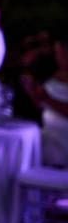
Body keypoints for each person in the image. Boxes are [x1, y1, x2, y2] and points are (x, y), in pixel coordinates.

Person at [22, 32, 68, 167]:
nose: (58, 57)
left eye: (61, 53)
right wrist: (32, 93)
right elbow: (42, 105)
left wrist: (46, 98)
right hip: (49, 132)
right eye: (57, 52)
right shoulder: (54, 73)